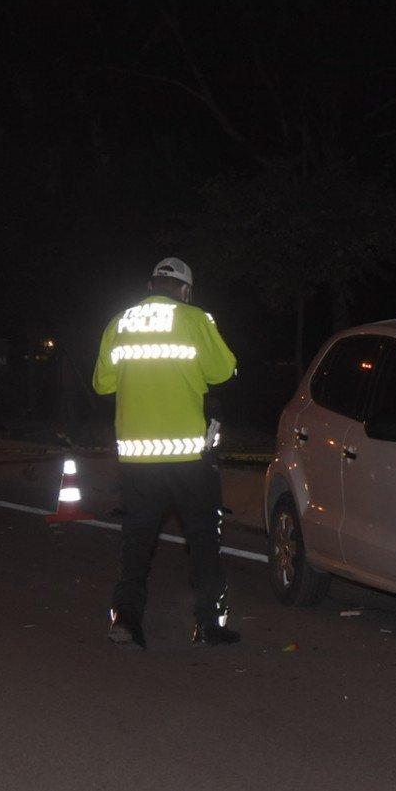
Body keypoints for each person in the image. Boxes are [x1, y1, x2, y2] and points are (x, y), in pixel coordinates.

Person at [92, 258, 239, 648]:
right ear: (186, 290)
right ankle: (208, 625)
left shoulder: (119, 323)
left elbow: (103, 384)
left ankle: (126, 621)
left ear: (150, 286)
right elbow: (224, 372)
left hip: (138, 459)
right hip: (189, 457)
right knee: (203, 540)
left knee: (137, 542)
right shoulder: (195, 319)